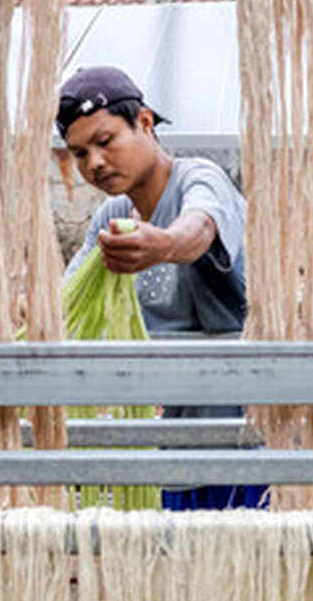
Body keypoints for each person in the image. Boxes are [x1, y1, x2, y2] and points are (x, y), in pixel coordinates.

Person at [57, 65, 266, 510]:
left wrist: (164, 243)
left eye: (105, 141)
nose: (93, 163)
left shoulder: (199, 178)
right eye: (79, 153)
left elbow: (199, 229)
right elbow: (67, 304)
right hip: (169, 450)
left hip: (239, 447)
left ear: (146, 123)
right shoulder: (113, 215)